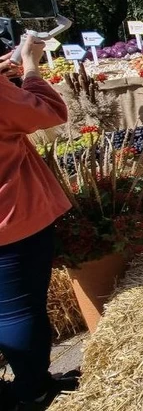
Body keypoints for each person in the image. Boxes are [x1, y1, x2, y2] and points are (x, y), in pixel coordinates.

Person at [0, 34, 76, 410]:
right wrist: (30, 66)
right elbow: (48, 112)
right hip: (10, 218)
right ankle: (33, 388)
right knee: (18, 309)